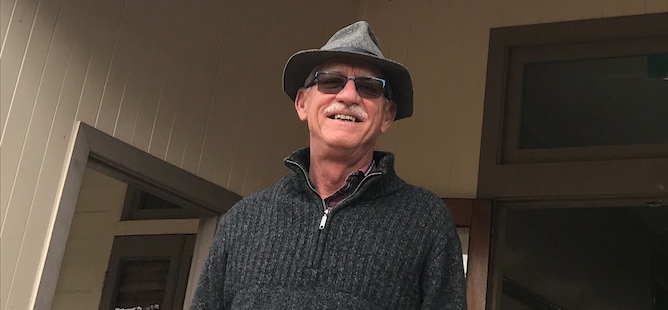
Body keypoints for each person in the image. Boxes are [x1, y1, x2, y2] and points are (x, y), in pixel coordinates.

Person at [189, 21, 468, 310]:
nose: (348, 96)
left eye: (369, 87)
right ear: (302, 104)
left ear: (387, 115)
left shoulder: (426, 222)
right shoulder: (243, 220)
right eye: (330, 81)